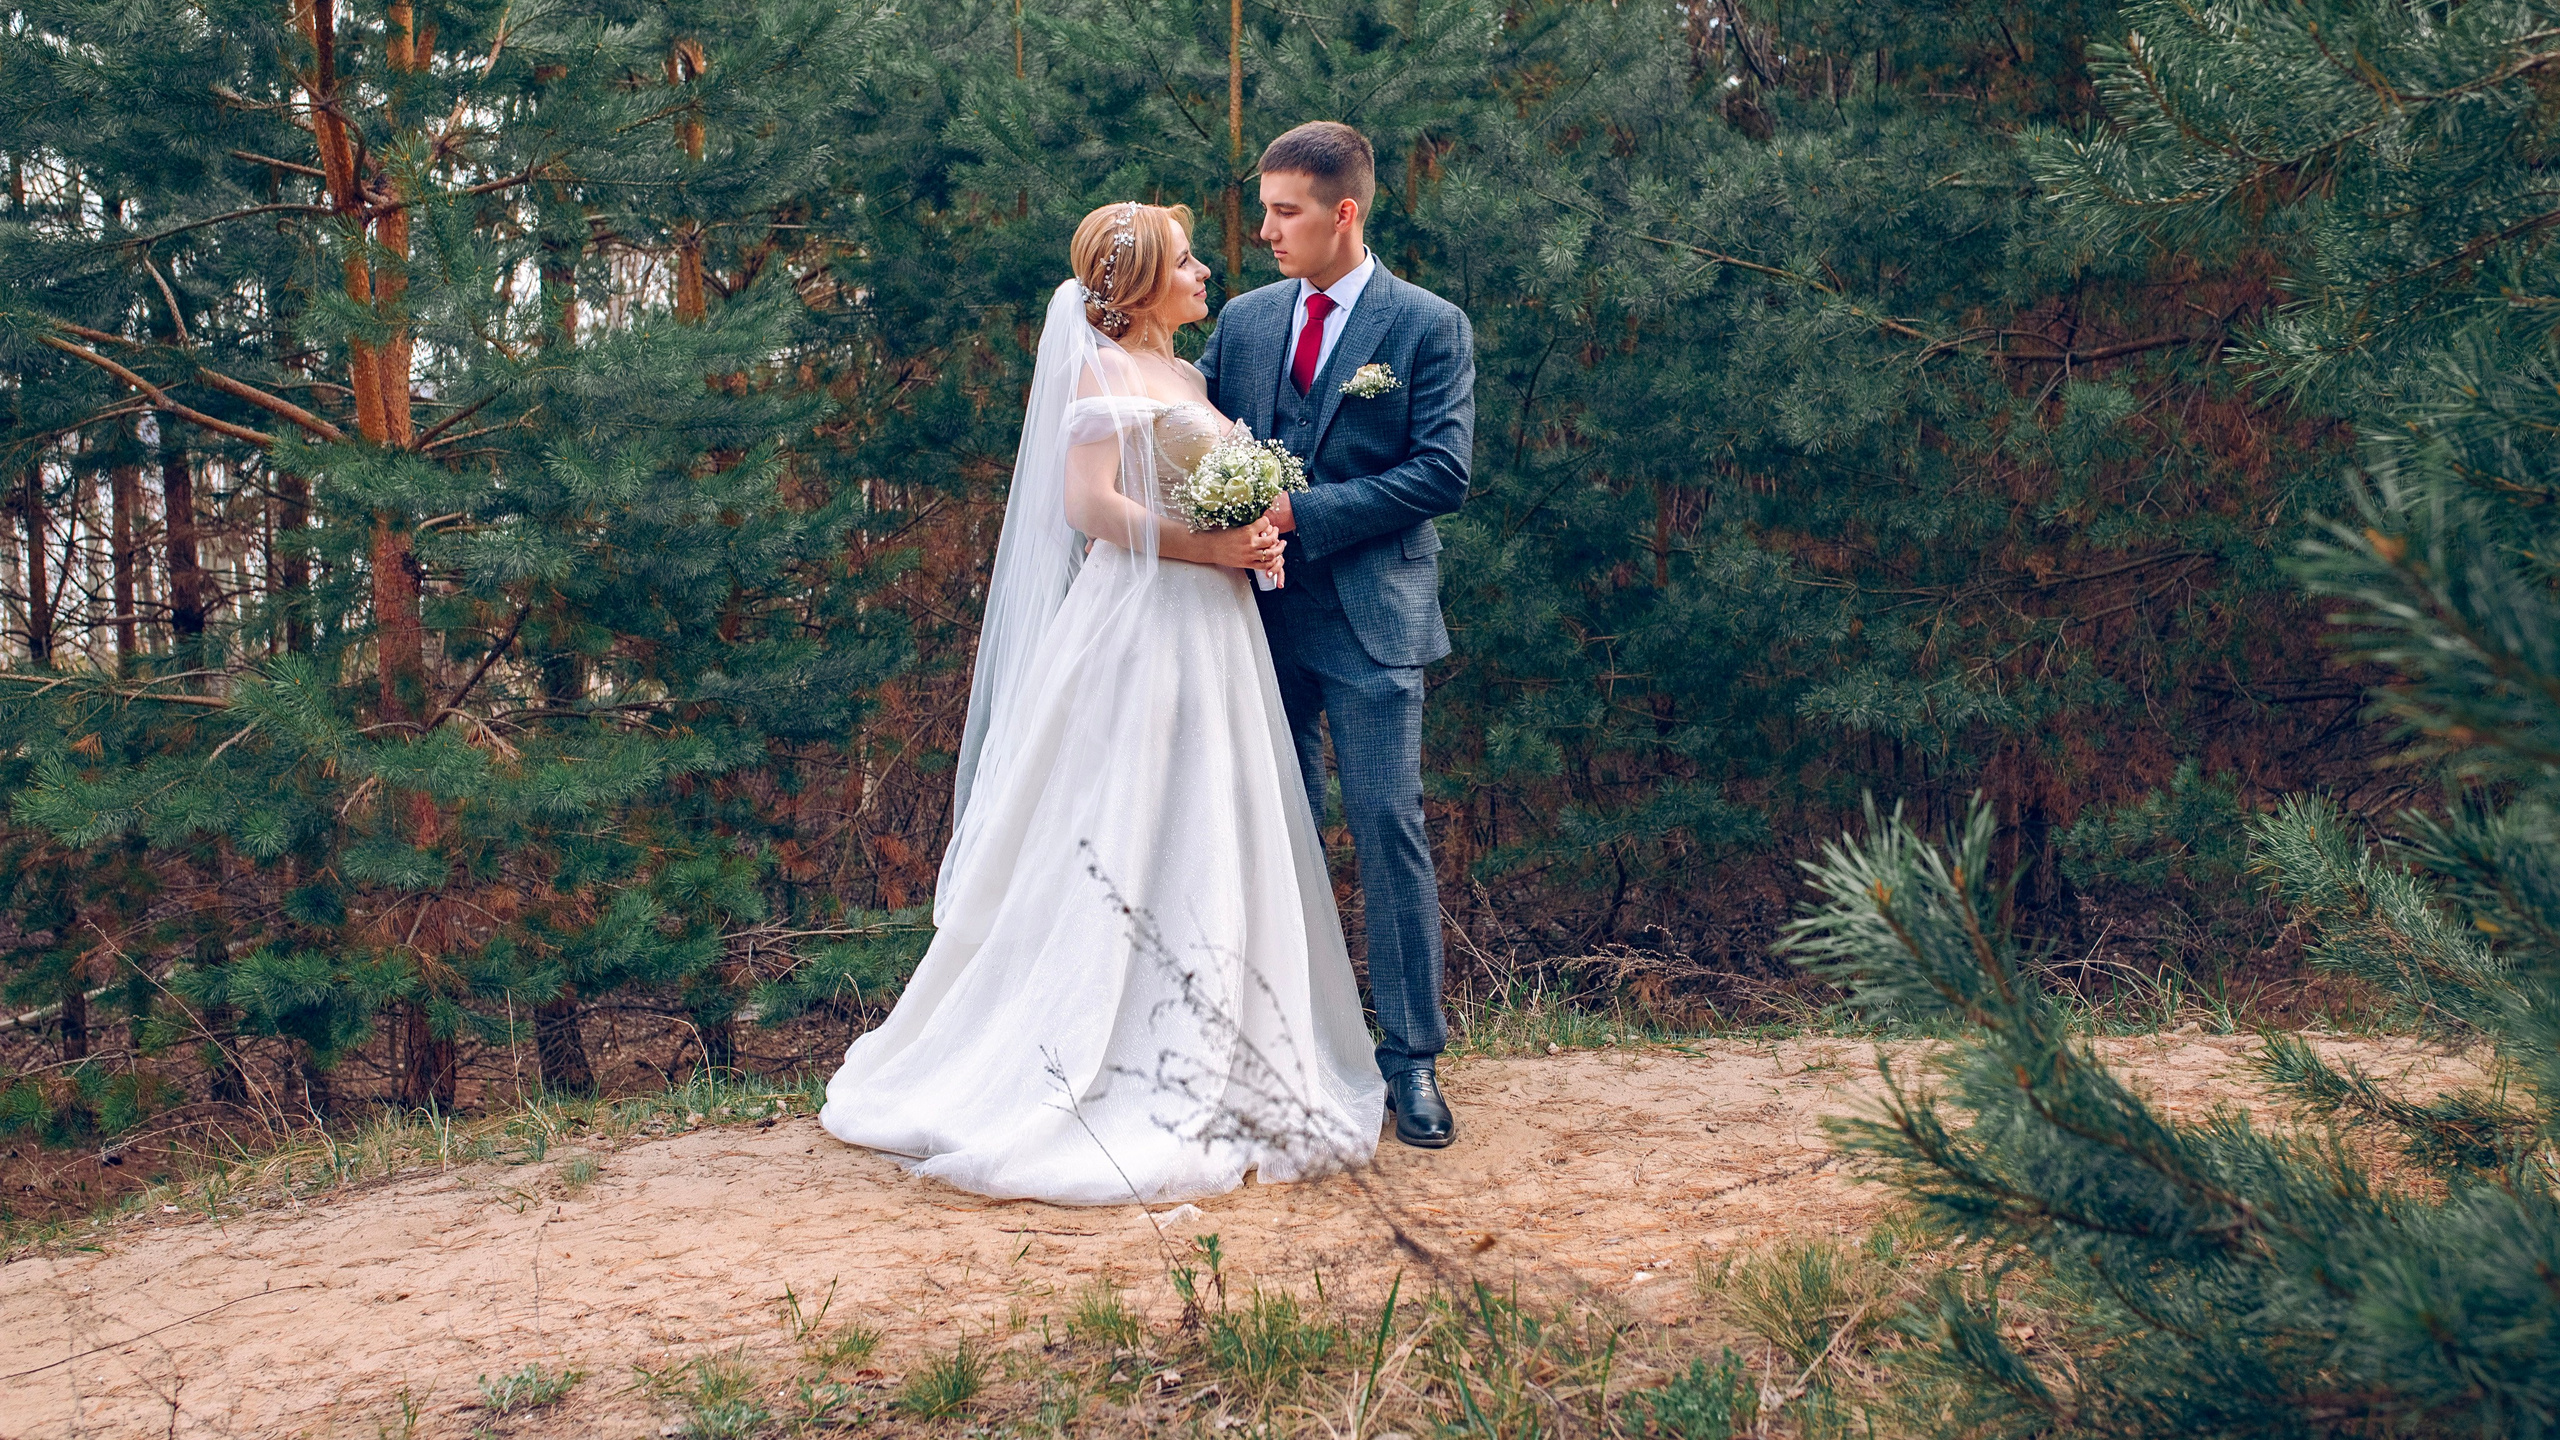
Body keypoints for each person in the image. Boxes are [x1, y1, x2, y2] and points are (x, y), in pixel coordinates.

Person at [818, 202, 1384, 1204]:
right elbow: (1089, 505)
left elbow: (1198, 487)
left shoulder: (1189, 377)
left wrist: (1252, 537)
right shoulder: (1100, 371)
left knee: (1211, 822)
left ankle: (1226, 1043)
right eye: (1186, 261)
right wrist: (1211, 544)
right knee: (1123, 822)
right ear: (1138, 287)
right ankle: (1092, 1055)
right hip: (1139, 626)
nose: (1207, 270)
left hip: (1215, 629)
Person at [1195, 122, 1476, 1149]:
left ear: (1343, 212)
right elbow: (1198, 440)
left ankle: (1411, 1062)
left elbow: (1442, 473)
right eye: (1264, 209)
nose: (1265, 230)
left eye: (1285, 211)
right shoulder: (1245, 320)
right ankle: (1287, 1051)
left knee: (1387, 832)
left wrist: (1300, 514)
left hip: (1371, 623)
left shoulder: (1425, 327)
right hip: (1251, 624)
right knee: (1269, 836)